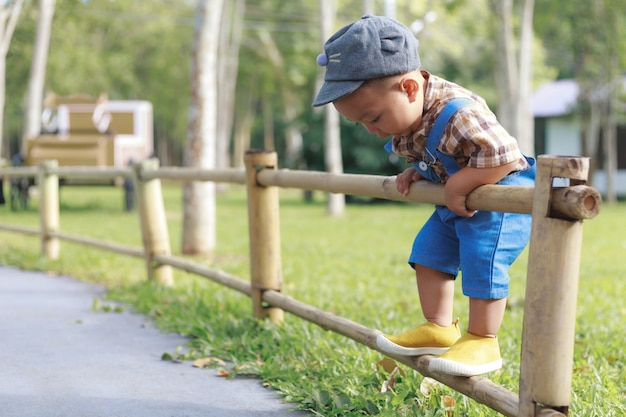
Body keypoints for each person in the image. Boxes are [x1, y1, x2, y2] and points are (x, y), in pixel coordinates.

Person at [312, 15, 535, 377]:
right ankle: (438, 327)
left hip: (498, 200)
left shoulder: (459, 112)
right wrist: (419, 170)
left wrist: (462, 183)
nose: (371, 130)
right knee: (429, 251)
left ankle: (482, 338)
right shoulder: (408, 118)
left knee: (481, 258)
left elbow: (505, 157)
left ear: (410, 89)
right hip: (458, 204)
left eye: (373, 118)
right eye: (361, 124)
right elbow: (438, 155)